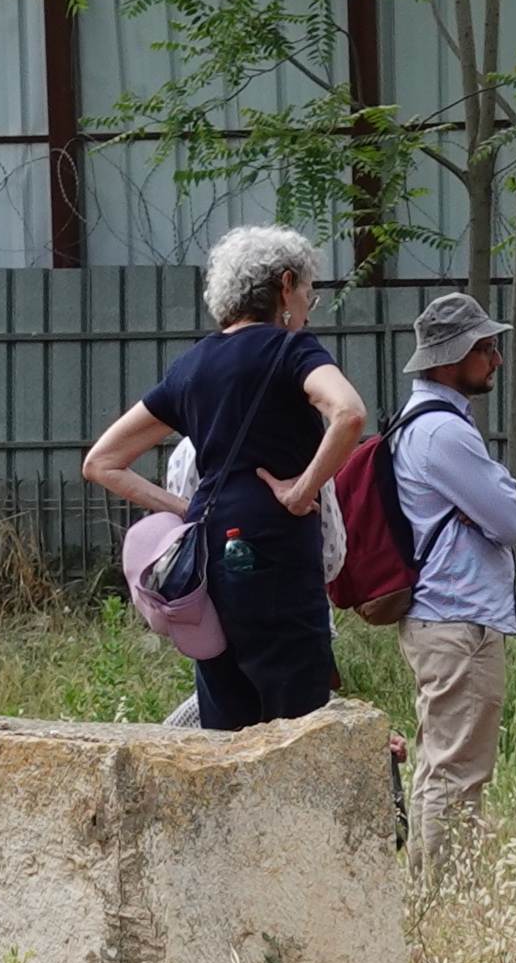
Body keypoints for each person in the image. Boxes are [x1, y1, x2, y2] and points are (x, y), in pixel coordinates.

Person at [83, 225, 368, 729]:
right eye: (308, 293)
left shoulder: (191, 365)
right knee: (298, 717)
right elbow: (348, 413)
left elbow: (101, 462)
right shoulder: (292, 351)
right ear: (284, 286)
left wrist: (187, 509)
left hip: (210, 550)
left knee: (224, 707)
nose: (306, 307)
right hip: (277, 544)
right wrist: (301, 491)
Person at [391, 291, 516, 873]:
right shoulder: (444, 434)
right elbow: (512, 520)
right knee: (459, 771)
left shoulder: (420, 424)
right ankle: (445, 901)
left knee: (439, 764)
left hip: (440, 617)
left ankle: (428, 894)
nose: (496, 360)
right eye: (486, 349)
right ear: (451, 358)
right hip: (458, 621)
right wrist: (506, 492)